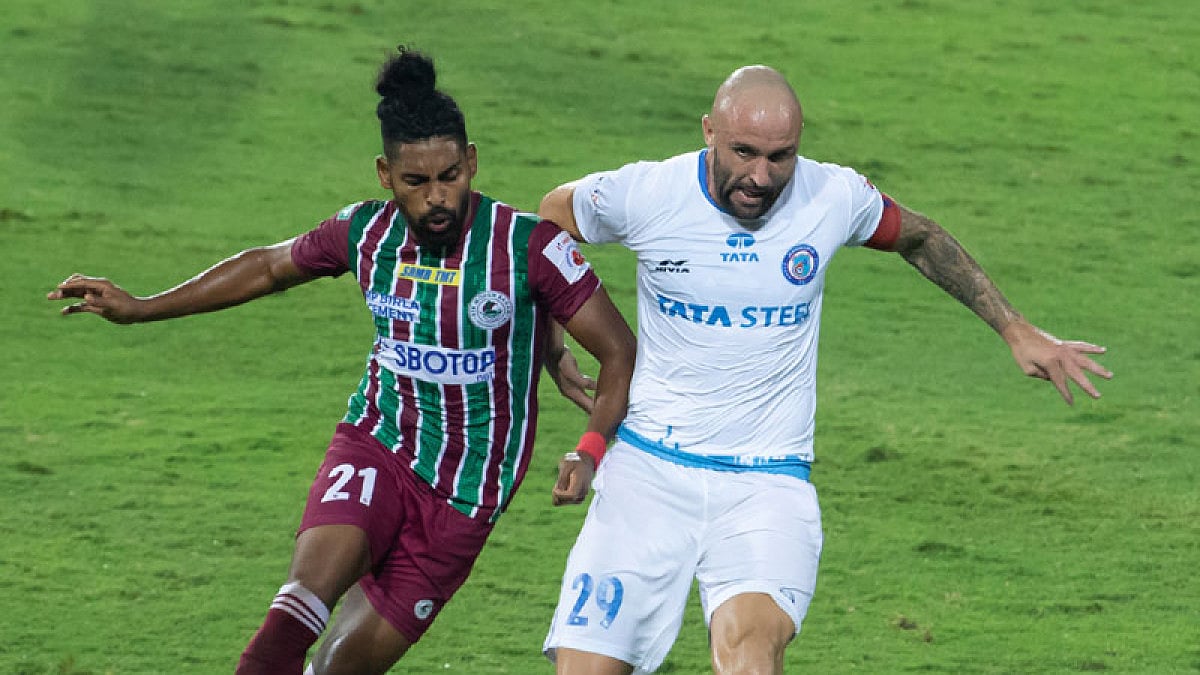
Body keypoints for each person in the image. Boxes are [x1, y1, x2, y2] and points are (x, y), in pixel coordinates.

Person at [47, 46, 636, 675]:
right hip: (378, 442)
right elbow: (269, 266)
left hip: (468, 493)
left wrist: (589, 446)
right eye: (416, 182)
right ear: (386, 175)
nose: (437, 196)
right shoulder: (365, 233)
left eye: (450, 176)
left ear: (471, 162)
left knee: (338, 669)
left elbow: (617, 348)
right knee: (297, 606)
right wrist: (142, 307)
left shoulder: (528, 245)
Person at [537, 65, 1113, 674]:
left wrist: (1014, 328)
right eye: (744, 152)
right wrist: (554, 335)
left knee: (751, 657)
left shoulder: (831, 197)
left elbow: (919, 238)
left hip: (765, 484)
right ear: (709, 131)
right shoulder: (646, 194)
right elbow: (550, 218)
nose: (761, 177)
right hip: (648, 471)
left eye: (781, 157)